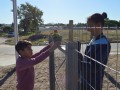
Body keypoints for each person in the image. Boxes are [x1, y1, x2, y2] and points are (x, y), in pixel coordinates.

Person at [80, 12, 111, 90]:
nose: (87, 29)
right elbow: (87, 58)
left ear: (99, 26)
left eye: (90, 26)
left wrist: (77, 63)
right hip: (85, 80)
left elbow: (95, 67)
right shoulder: (94, 39)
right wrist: (78, 55)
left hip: (93, 84)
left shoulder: (103, 43)